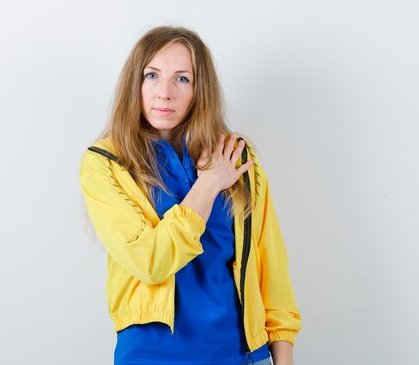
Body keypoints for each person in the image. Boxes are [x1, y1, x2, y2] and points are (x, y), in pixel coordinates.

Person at [79, 26, 301, 365]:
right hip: (149, 355)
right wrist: (209, 185)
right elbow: (150, 263)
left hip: (235, 354)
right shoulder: (106, 163)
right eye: (152, 75)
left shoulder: (236, 157)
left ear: (199, 90)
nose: (164, 92)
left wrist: (283, 359)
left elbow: (271, 268)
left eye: (182, 79)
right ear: (134, 84)